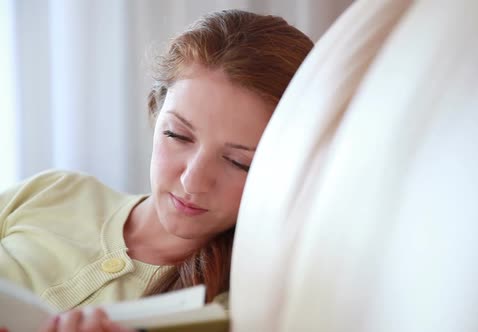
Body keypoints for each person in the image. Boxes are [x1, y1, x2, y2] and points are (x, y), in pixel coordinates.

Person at [0, 9, 313, 331]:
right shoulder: (53, 191)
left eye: (239, 162)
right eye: (177, 135)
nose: (193, 181)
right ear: (156, 107)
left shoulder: (239, 302)